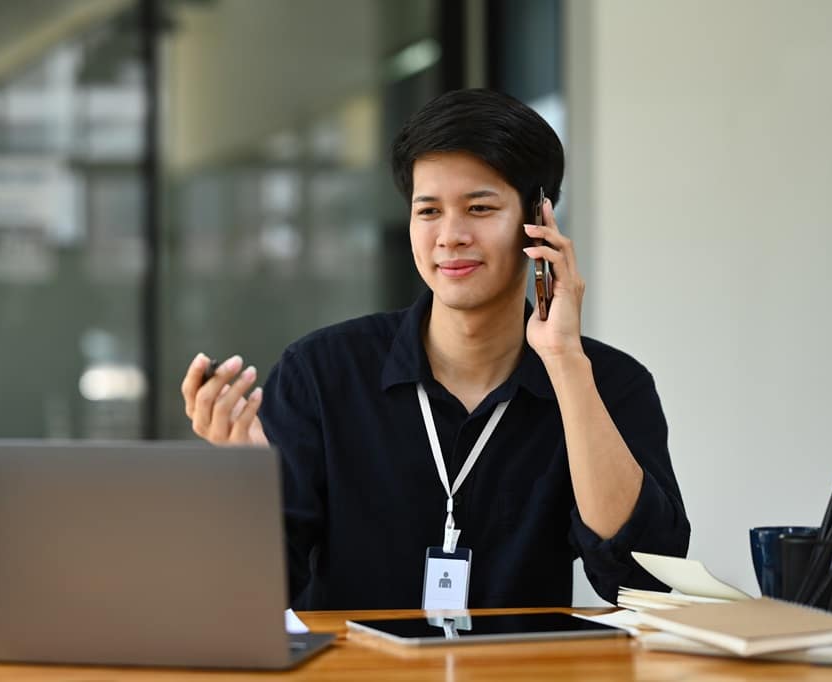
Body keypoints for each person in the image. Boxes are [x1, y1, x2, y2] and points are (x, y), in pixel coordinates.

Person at [181, 89, 689, 610]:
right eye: (429, 211)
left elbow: (642, 579)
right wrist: (244, 481)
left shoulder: (607, 382)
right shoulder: (321, 373)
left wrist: (564, 361)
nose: (450, 236)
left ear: (539, 221)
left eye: (479, 208)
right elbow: (264, 593)